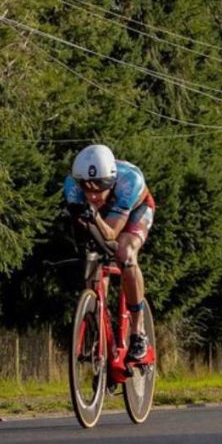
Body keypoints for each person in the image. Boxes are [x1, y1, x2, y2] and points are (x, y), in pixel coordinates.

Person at [64, 144, 155, 362]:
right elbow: (80, 230)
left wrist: (94, 215)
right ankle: (99, 333)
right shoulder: (72, 185)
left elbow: (112, 233)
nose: (93, 195)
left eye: (99, 189)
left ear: (111, 183)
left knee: (125, 253)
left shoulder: (129, 182)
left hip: (136, 210)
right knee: (92, 260)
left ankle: (138, 331)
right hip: (102, 214)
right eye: (87, 189)